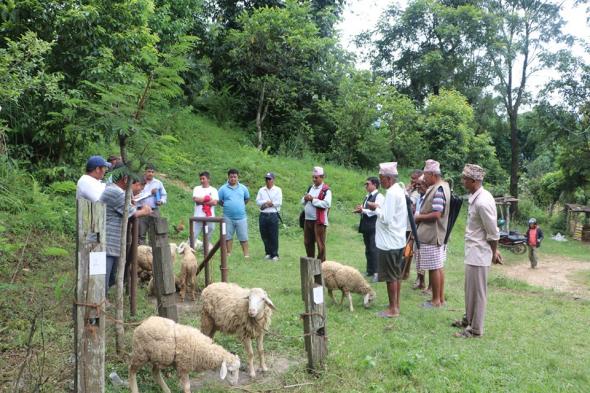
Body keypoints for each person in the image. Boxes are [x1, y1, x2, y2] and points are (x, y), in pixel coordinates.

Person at [454, 164, 502, 338]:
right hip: (473, 251)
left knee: (478, 292)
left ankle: (475, 330)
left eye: (465, 179)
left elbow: (493, 232)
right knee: (470, 289)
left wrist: (494, 252)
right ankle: (468, 320)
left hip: (480, 253)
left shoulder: (482, 202)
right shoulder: (475, 196)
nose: (462, 181)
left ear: (474, 181)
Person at [100, 164, 152, 296]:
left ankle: (101, 302)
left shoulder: (116, 191)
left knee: (111, 277)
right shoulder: (115, 192)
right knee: (105, 279)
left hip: (112, 242)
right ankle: (99, 306)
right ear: (125, 179)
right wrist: (145, 211)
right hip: (107, 242)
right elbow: (132, 213)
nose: (139, 189)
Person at [368, 162, 408, 318]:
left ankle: (393, 309)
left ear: (389, 178)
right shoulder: (399, 190)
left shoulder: (392, 193)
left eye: (381, 178)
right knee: (396, 275)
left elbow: (386, 219)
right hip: (397, 240)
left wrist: (375, 209)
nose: (380, 181)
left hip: (389, 242)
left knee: (390, 277)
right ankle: (395, 304)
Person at [414, 159, 451, 308]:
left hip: (432, 234)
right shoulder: (441, 186)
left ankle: (435, 300)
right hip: (434, 234)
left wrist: (418, 217)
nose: (424, 178)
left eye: (426, 175)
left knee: (434, 268)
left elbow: (437, 214)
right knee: (437, 266)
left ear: (433, 174)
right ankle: (439, 299)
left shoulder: (438, 189)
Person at [354, 177, 384, 282]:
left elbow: (376, 211)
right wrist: (360, 209)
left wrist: (363, 210)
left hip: (374, 226)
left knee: (374, 249)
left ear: (374, 185)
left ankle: (377, 273)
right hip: (366, 225)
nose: (366, 186)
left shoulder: (379, 196)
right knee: (368, 248)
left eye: (368, 184)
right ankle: (370, 270)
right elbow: (367, 209)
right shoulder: (367, 196)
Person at [301, 166, 332, 262]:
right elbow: (302, 201)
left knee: (320, 243)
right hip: (308, 219)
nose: (314, 179)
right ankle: (310, 261)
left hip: (319, 221)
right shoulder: (310, 187)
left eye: (316, 177)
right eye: (313, 177)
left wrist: (313, 200)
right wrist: (305, 199)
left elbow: (327, 204)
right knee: (307, 242)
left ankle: (321, 263)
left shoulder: (326, 190)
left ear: (322, 177)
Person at [218, 169, 250, 258]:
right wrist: (227, 205)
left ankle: (246, 255)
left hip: (241, 217)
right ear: (228, 177)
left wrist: (240, 205)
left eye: (235, 177)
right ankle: (228, 253)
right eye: (231, 177)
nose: (233, 179)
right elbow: (219, 200)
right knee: (228, 237)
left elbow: (247, 198)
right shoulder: (223, 189)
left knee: (243, 237)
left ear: (237, 177)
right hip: (227, 217)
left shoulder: (243, 188)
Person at [135, 164, 167, 245]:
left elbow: (164, 195)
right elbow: (137, 196)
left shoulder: (158, 183)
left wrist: (161, 201)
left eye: (153, 172)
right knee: (140, 234)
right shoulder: (139, 182)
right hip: (141, 210)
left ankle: (153, 253)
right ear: (145, 172)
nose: (151, 174)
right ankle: (141, 254)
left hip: (154, 210)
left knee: (156, 232)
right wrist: (150, 193)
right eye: (149, 171)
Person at [256, 172, 283, 261]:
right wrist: (266, 202)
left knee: (273, 235)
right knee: (264, 234)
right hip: (263, 215)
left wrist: (270, 204)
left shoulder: (278, 190)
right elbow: (257, 201)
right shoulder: (261, 190)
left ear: (273, 180)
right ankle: (268, 252)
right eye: (266, 179)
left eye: (269, 179)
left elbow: (279, 202)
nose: (267, 181)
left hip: (273, 215)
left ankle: (274, 254)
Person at [192, 171, 219, 246]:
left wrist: (202, 200)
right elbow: (195, 199)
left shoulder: (213, 190)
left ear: (208, 179)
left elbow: (215, 202)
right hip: (198, 215)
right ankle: (189, 248)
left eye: (203, 179)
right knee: (194, 233)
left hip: (209, 216)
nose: (202, 180)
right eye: (200, 179)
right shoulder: (197, 188)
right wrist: (208, 199)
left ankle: (205, 248)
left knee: (209, 233)